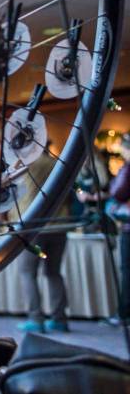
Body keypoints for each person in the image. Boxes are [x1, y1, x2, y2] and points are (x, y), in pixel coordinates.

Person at [15, 145, 69, 333]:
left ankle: (36, 319)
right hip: (59, 224)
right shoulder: (57, 163)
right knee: (54, 272)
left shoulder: (22, 164)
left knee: (27, 272)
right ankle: (59, 319)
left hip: (33, 227)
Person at [105, 139, 130, 327]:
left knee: (127, 269)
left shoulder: (128, 168)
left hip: (129, 226)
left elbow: (117, 192)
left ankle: (124, 313)